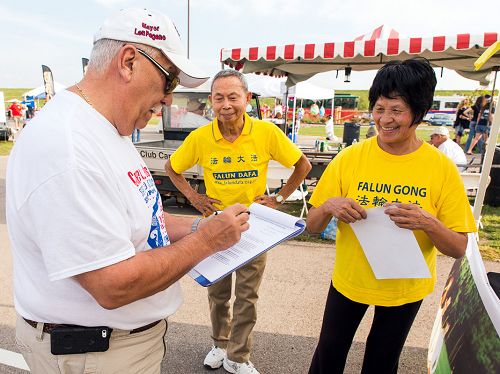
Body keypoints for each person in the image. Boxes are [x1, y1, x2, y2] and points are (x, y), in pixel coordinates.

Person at [6, 8, 251, 373]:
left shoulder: (106, 129)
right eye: (168, 80)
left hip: (111, 347)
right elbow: (112, 284)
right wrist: (207, 242)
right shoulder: (69, 146)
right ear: (129, 62)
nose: (169, 98)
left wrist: (203, 227)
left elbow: (145, 217)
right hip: (96, 354)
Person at [306, 59, 476, 374]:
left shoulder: (439, 168)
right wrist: (329, 206)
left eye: (396, 110)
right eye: (379, 108)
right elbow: (311, 227)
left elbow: (459, 247)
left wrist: (428, 222)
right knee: (328, 356)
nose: (385, 119)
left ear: (419, 113)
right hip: (350, 281)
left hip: (404, 287)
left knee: (381, 363)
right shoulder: (350, 158)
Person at [165, 69, 311, 374]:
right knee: (218, 292)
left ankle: (239, 357)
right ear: (211, 102)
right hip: (214, 226)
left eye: (233, 96)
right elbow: (172, 167)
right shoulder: (201, 137)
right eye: (219, 98)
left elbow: (302, 164)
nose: (226, 104)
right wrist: (194, 197)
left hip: (254, 226)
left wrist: (279, 199)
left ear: (247, 98)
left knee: (247, 295)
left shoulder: (266, 133)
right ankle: (220, 344)